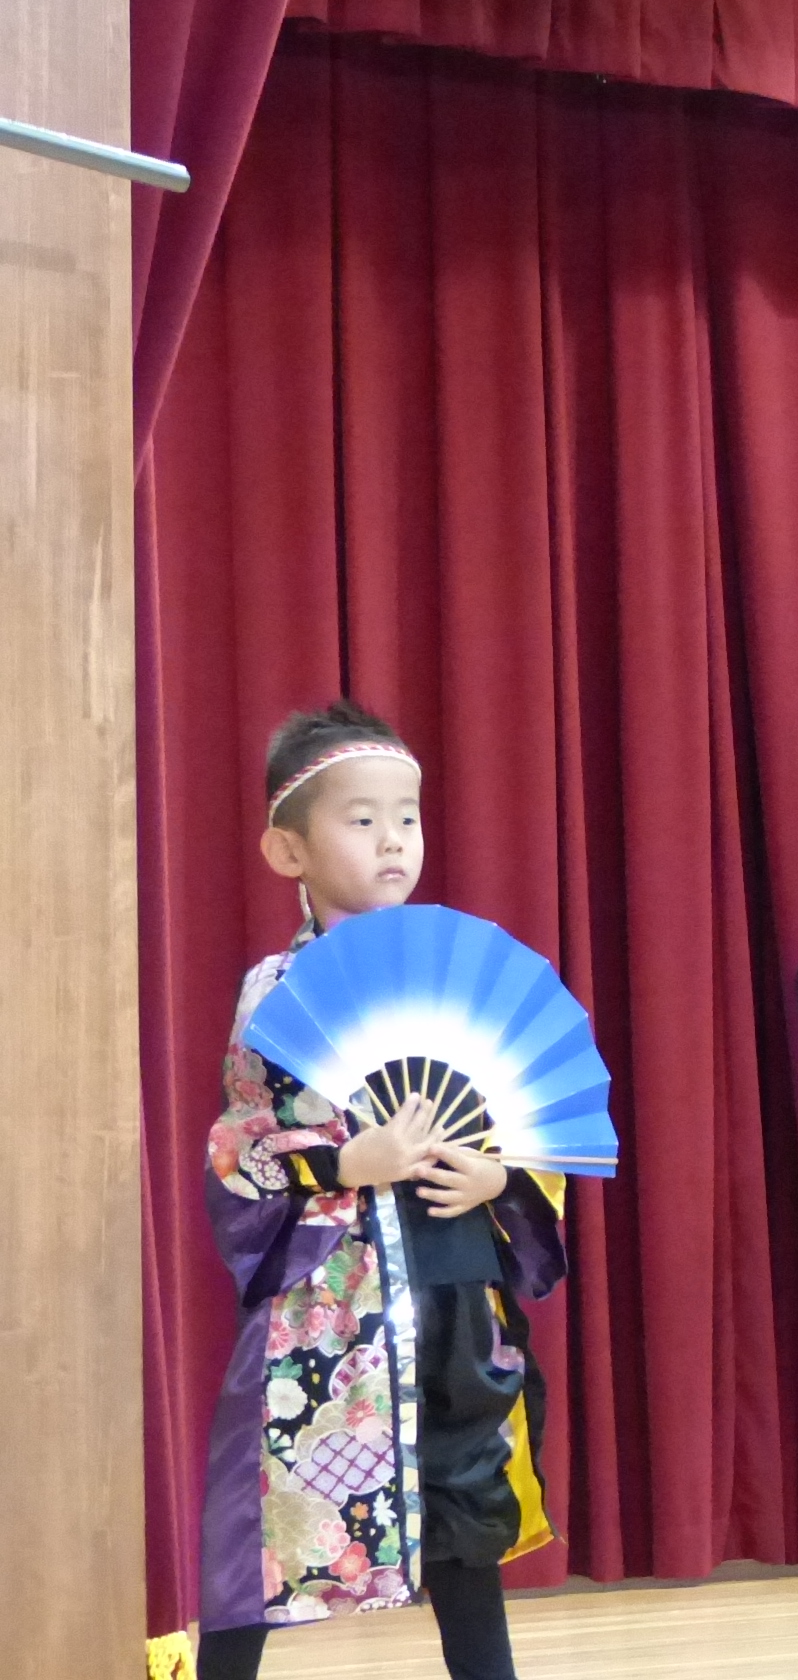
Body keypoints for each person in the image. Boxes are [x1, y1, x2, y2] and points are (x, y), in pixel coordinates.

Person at [197, 702, 563, 1680]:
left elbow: (535, 1123)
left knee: (467, 1519)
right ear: (289, 849)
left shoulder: (465, 974)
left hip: (457, 1282)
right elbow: (241, 1144)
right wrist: (342, 1162)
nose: (393, 838)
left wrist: (499, 1174)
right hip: (338, 1302)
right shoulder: (278, 987)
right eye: (361, 819)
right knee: (267, 1521)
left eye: (407, 816)